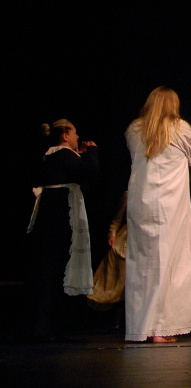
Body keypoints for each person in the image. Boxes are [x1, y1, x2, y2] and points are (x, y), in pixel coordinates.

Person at [124, 87, 191, 343]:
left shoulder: (134, 129)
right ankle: (162, 328)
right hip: (170, 206)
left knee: (142, 264)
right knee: (171, 264)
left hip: (141, 204)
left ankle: (141, 327)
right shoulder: (180, 128)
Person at [28, 119, 98, 341]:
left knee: (50, 270)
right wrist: (92, 152)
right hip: (59, 216)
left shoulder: (52, 155)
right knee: (57, 269)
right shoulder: (63, 155)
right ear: (65, 136)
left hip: (50, 214)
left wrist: (79, 154)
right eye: (75, 133)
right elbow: (90, 173)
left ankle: (45, 326)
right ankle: (53, 327)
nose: (78, 137)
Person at [87, 192, 128, 330]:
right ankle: (114, 322)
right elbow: (117, 219)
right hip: (125, 243)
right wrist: (112, 233)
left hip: (147, 244)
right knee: (116, 284)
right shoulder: (130, 194)